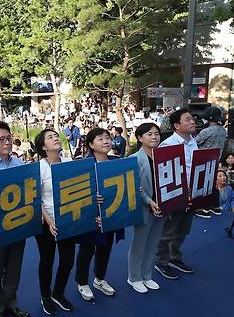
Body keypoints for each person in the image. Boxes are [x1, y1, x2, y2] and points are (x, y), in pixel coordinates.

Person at [0, 122, 30, 317]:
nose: (6, 142)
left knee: (14, 267)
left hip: (18, 223)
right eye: (1, 139)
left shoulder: (19, 164)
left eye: (8, 138)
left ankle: (11, 303)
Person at [74, 128, 123, 301]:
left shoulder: (117, 161)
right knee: (87, 249)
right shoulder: (83, 164)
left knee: (106, 248)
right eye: (100, 138)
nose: (105, 141)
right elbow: (76, 192)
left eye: (107, 138)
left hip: (110, 215)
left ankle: (100, 279)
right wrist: (91, 198)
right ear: (91, 145)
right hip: (90, 215)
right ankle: (82, 282)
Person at [34, 129, 76, 315]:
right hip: (46, 221)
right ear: (43, 147)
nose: (56, 139)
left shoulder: (68, 162)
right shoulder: (39, 168)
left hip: (68, 218)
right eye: (50, 138)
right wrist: (49, 220)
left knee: (67, 260)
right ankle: (45, 296)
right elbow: (35, 198)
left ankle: (58, 293)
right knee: (47, 259)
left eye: (56, 136)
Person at [155, 108, 197, 280]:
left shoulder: (193, 141)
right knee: (168, 231)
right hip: (176, 195)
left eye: (192, 118)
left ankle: (175, 257)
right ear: (177, 126)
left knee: (183, 229)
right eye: (187, 119)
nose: (193, 121)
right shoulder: (168, 145)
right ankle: (161, 262)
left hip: (193, 194)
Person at [127, 123, 164, 293]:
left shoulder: (164, 156)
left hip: (163, 206)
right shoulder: (134, 158)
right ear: (140, 138)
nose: (154, 137)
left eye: (156, 134)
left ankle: (147, 275)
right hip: (144, 207)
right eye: (149, 134)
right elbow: (133, 186)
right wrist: (149, 200)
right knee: (139, 244)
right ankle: (134, 277)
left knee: (153, 243)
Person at [194, 107, 228, 218]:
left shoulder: (207, 131)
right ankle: (215, 206)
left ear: (209, 118)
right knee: (213, 185)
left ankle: (203, 208)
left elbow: (195, 142)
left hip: (204, 160)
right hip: (216, 160)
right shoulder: (222, 130)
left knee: (203, 185)